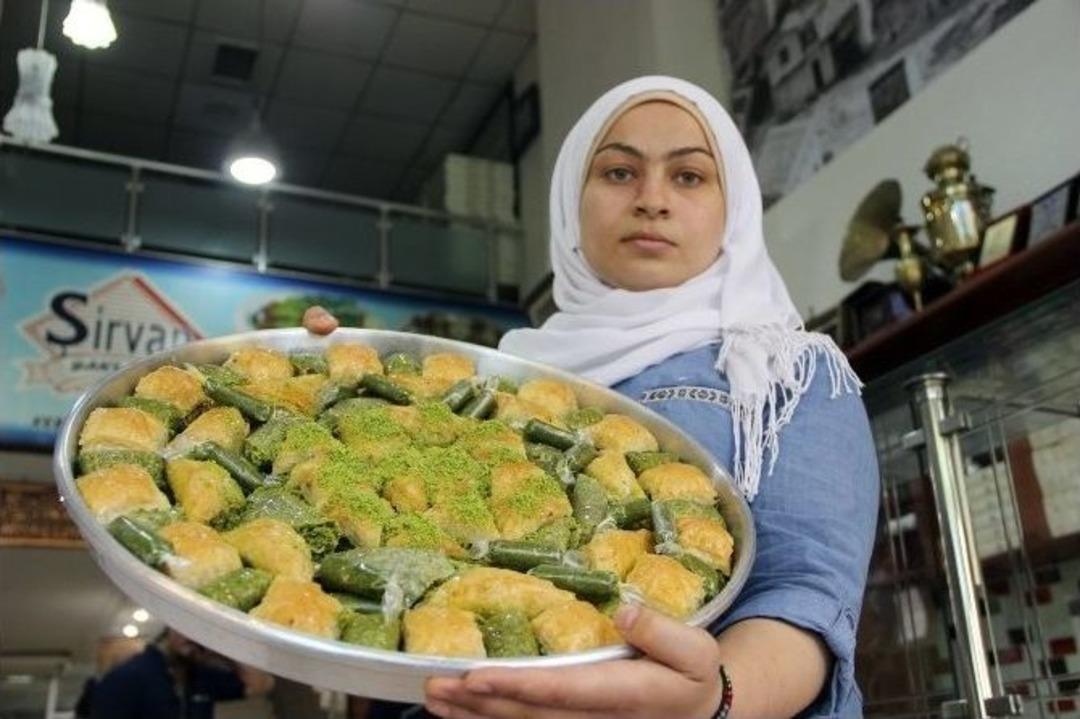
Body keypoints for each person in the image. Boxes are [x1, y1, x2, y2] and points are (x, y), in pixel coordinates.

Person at [303, 74, 879, 719]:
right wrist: (324, 389)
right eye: (618, 173)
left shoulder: (784, 370)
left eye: (689, 177)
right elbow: (378, 531)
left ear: (734, 207)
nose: (652, 200)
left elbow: (805, 597)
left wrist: (711, 700)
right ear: (572, 200)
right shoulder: (501, 375)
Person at [89, 628, 274, 719]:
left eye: (201, 632)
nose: (193, 637)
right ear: (171, 626)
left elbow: (262, 684)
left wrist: (221, 651)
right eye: (188, 629)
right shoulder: (128, 676)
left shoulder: (200, 673)